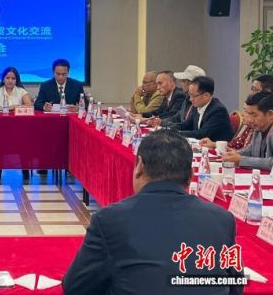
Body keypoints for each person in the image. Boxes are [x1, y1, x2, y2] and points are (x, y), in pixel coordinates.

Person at [63, 129, 243, 295]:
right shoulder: (222, 219)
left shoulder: (108, 219)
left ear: (139, 166)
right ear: (191, 175)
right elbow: (235, 286)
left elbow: (76, 287)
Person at [0, 67, 32, 180]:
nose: (10, 80)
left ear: (17, 80)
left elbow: (29, 106)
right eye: (8, 78)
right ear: (3, 79)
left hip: (19, 128)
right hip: (0, 128)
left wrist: (12, 107)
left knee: (25, 142)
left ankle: (25, 170)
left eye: (13, 78)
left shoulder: (21, 91)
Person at [223, 92, 273, 171]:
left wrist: (241, 160)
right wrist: (235, 154)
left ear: (270, 114)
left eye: (254, 115)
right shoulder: (259, 128)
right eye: (248, 114)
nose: (250, 120)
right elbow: (250, 150)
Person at [177, 76, 233, 141]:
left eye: (194, 96)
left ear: (206, 96)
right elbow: (186, 125)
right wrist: (168, 129)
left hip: (215, 146)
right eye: (190, 95)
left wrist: (177, 134)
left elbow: (202, 134)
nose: (190, 99)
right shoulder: (197, 105)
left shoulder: (218, 111)